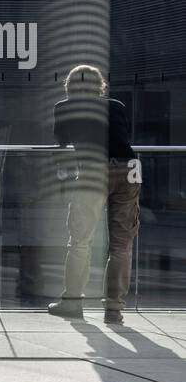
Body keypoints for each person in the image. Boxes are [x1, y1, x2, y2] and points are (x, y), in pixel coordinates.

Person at [48, 64, 140, 325]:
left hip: (92, 171)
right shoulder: (116, 105)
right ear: (100, 84)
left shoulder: (64, 107)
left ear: (70, 84)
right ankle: (114, 310)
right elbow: (124, 137)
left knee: (80, 240)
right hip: (128, 169)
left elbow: (62, 141)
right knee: (122, 244)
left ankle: (73, 302)